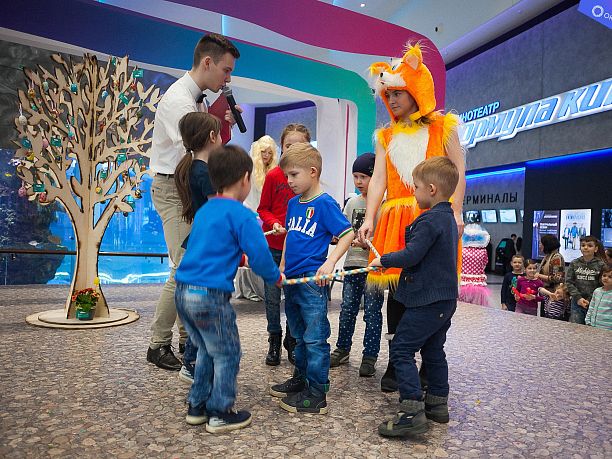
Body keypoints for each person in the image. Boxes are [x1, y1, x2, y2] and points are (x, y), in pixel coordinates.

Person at [357, 43, 466, 393]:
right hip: (396, 217)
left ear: (416, 91)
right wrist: (369, 217)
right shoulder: (385, 136)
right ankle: (397, 361)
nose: (391, 100)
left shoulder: (443, 127)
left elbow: (458, 171)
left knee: (433, 287)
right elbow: (378, 179)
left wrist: (456, 211)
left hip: (436, 215)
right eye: (387, 94)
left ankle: (429, 365)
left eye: (398, 93)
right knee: (397, 289)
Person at [147, 33, 240, 371]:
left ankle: (188, 340)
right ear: (207, 63)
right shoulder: (178, 101)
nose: (227, 79)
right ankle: (158, 344)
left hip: (188, 186)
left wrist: (223, 127)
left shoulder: (197, 100)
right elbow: (195, 152)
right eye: (226, 71)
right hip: (173, 188)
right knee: (184, 266)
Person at [175, 145, 283, 433]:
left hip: (183, 292)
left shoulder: (206, 210)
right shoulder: (242, 215)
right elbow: (261, 257)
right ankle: (221, 411)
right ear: (246, 178)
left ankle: (197, 406)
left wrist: (239, 257)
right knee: (227, 352)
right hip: (209, 296)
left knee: (206, 349)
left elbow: (209, 248)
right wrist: (275, 276)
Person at [368, 156, 459, 437]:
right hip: (445, 300)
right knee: (433, 350)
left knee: (401, 349)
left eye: (416, 187)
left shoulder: (429, 220)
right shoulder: (448, 218)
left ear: (431, 189)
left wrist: (384, 260)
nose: (414, 192)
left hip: (425, 300)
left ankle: (411, 411)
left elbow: (412, 254)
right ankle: (437, 404)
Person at [269, 142, 353, 415]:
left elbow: (347, 234)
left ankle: (317, 393)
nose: (289, 181)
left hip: (311, 280)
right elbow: (290, 238)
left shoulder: (325, 203)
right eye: (287, 176)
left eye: (294, 175)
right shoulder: (293, 204)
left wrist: (330, 262)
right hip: (292, 279)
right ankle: (302, 379)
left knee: (315, 337)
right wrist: (282, 267)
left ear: (313, 172)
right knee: (298, 335)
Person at [172, 112, 222, 383]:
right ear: (212, 136)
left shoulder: (193, 168)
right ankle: (192, 365)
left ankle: (193, 363)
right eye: (220, 133)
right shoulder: (204, 172)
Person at [258, 124, 311, 366]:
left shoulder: (308, 179)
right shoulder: (273, 176)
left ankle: (292, 339)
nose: (293, 149)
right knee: (271, 297)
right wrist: (274, 223)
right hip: (273, 247)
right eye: (289, 145)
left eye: (299, 145)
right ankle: (274, 339)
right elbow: (263, 208)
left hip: (298, 249)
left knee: (293, 296)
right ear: (282, 147)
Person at [329, 153, 385, 377]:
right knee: (347, 309)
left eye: (364, 176)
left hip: (373, 267)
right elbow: (343, 230)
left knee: (372, 312)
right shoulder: (352, 203)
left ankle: (370, 356)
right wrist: (336, 237)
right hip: (352, 264)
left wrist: (370, 243)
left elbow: (385, 236)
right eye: (355, 176)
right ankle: (342, 349)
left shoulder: (383, 205)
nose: (359, 181)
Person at [566, 236, 606, 325]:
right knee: (576, 327)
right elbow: (569, 282)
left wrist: (590, 299)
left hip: (594, 302)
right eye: (583, 245)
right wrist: (578, 298)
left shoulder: (601, 265)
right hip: (577, 301)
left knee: (591, 327)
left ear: (596, 249)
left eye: (590, 245)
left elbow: (602, 284)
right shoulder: (574, 263)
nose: (586, 247)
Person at [458, 224, 491, 307]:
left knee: (462, 306)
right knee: (478, 306)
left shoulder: (462, 250)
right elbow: (484, 263)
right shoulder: (483, 251)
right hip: (478, 283)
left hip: (463, 282)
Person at [536, 235, 566, 319]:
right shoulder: (548, 256)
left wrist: (539, 276)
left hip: (554, 295)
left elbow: (558, 277)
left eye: (541, 243)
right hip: (546, 293)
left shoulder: (556, 258)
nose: (539, 246)